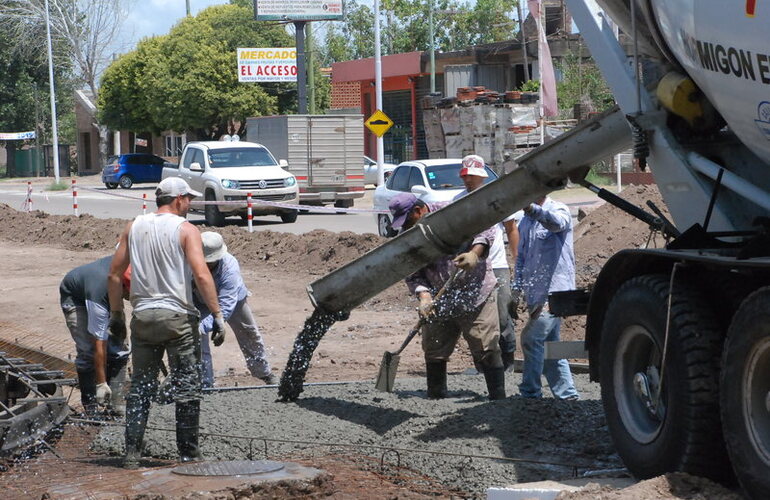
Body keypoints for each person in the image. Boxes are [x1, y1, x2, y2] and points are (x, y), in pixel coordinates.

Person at [107, 177, 225, 469]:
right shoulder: (186, 229)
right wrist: (218, 315)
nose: (191, 204)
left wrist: (116, 317)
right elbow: (201, 273)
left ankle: (132, 454)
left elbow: (113, 275)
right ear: (178, 200)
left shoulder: (133, 227)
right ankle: (189, 455)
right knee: (187, 386)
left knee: (141, 389)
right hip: (177, 318)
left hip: (144, 318)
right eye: (189, 199)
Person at [389, 192, 505, 400]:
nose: (406, 227)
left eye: (408, 221)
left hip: (476, 293)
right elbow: (412, 274)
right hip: (439, 298)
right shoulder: (409, 238)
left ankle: (498, 399)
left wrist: (474, 253)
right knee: (434, 348)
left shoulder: (449, 212)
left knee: (486, 346)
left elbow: (486, 227)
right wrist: (424, 296)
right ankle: (436, 396)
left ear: (419, 210)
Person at [452, 155, 520, 371]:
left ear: (481, 176)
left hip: (497, 264)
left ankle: (507, 359)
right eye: (465, 176)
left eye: (471, 176)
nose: (467, 180)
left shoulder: (495, 198)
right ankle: (484, 361)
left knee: (502, 313)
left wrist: (517, 259)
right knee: (477, 315)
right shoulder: (458, 201)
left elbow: (511, 229)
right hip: (472, 267)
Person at [514, 195, 579, 400]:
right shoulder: (525, 221)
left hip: (556, 293)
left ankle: (530, 394)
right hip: (536, 294)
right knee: (551, 348)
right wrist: (517, 290)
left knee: (531, 339)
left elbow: (557, 224)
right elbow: (522, 257)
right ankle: (568, 397)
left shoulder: (559, 209)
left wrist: (531, 208)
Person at [196, 231, 278, 387]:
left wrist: (206, 325)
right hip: (198, 300)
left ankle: (264, 373)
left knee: (249, 333)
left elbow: (226, 306)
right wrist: (196, 327)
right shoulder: (187, 261)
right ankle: (205, 382)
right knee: (197, 341)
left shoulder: (230, 267)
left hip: (233, 302)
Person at [59, 257, 130, 416]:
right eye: (129, 293)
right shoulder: (99, 293)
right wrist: (101, 383)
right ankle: (91, 407)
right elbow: (99, 342)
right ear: (122, 287)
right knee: (88, 352)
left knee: (120, 349)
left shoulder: (135, 263)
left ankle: (115, 405)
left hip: (107, 290)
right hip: (76, 298)